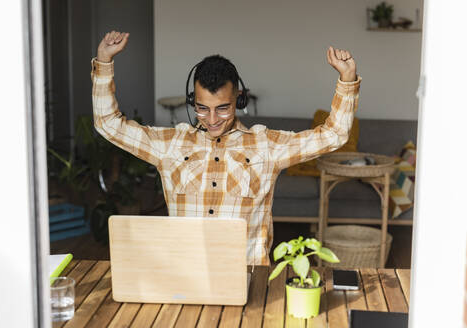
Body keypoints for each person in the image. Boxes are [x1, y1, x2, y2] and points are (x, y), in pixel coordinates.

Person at [91, 30, 361, 266]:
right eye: (201, 108)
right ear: (192, 101)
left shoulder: (266, 146)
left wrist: (347, 80)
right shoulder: (170, 145)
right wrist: (104, 61)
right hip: (186, 275)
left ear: (238, 101)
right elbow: (108, 124)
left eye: (222, 108)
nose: (211, 119)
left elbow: (334, 135)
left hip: (248, 276)